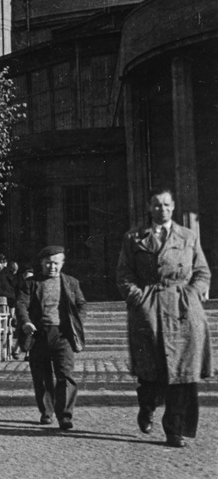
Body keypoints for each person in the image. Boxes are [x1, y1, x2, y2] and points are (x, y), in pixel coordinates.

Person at [116, 187, 212, 448]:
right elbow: (124, 275)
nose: (162, 209)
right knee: (150, 372)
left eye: (167, 205)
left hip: (182, 311)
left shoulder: (188, 236)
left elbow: (202, 272)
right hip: (149, 310)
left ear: (173, 207)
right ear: (149, 207)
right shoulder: (134, 237)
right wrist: (138, 299)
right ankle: (146, 406)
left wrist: (190, 295)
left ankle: (174, 430)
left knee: (182, 372)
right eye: (157, 205)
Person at [17, 245, 87, 431]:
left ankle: (64, 416)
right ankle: (46, 412)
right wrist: (25, 322)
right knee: (41, 377)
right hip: (38, 335)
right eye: (48, 263)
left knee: (66, 375)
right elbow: (21, 305)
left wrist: (76, 323)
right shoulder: (31, 283)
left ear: (62, 263)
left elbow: (81, 304)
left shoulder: (71, 283)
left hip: (62, 335)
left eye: (56, 263)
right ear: (41, 263)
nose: (52, 267)